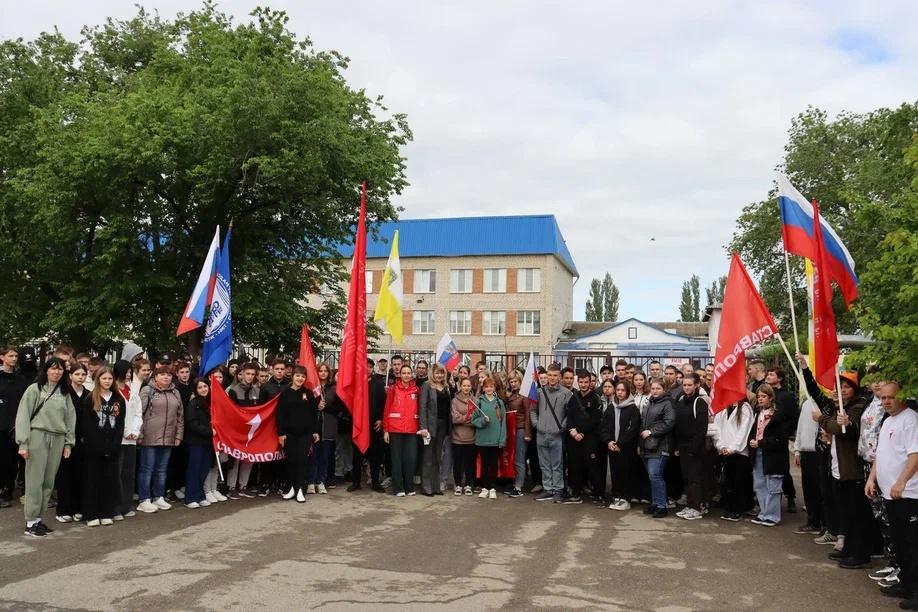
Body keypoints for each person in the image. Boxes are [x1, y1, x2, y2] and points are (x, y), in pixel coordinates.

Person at [796, 353, 876, 568]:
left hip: (853, 470)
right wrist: (805, 368)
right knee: (846, 513)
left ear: (855, 388)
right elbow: (816, 394)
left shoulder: (859, 406)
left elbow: (840, 429)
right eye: (839, 387)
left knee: (857, 514)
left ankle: (860, 554)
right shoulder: (836, 406)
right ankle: (848, 548)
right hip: (837, 468)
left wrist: (823, 421)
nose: (841, 391)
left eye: (847, 387)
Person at [866, 382, 918, 608]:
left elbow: (915, 455)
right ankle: (905, 584)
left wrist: (902, 481)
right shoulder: (888, 421)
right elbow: (881, 453)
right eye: (883, 398)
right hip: (890, 494)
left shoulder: (911, 419)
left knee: (912, 544)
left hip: (908, 495)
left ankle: (916, 592)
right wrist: (871, 478)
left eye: (891, 397)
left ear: (902, 397)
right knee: (899, 543)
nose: (886, 401)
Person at [16, 358, 76, 537]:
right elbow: (23, 416)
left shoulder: (64, 392)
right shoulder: (34, 389)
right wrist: (23, 443)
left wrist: (68, 443)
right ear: (46, 370)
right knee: (35, 480)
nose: (57, 372)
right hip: (38, 437)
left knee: (48, 481)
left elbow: (70, 419)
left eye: (60, 370)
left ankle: (38, 519)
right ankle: (30, 521)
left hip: (57, 438)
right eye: (53, 369)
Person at [80, 367, 126, 526]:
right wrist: (98, 445)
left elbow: (120, 425)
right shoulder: (90, 399)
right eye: (104, 378)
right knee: (93, 481)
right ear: (98, 379)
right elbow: (87, 426)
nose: (107, 381)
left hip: (112, 448)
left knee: (109, 481)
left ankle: (106, 512)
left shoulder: (118, 400)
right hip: (94, 449)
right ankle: (91, 514)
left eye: (109, 379)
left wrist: (114, 445)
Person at [136, 365, 184, 513]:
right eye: (162, 374)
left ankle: (159, 496)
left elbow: (180, 416)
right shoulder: (147, 391)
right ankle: (144, 499)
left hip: (168, 437)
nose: (166, 377)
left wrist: (178, 435)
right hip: (149, 437)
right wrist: (140, 433)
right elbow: (139, 413)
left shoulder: (176, 392)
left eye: (169, 375)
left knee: (162, 469)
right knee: (147, 469)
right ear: (155, 377)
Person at [275, 366, 319, 502]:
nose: (300, 379)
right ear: (293, 376)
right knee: (291, 461)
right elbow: (280, 415)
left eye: (303, 376)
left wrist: (315, 431)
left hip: (305, 434)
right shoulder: (285, 393)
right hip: (289, 434)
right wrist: (281, 433)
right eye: (298, 376)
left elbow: (313, 414)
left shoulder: (308, 393)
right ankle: (292, 488)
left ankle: (300, 489)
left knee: (302, 460)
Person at [748, 384, 789, 527]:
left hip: (773, 455)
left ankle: (772, 515)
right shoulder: (758, 413)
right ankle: (764, 512)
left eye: (763, 396)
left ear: (771, 398)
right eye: (758, 396)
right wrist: (753, 442)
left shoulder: (779, 414)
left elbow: (781, 438)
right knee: (759, 484)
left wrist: (761, 442)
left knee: (773, 485)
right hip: (758, 453)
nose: (760, 399)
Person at [531, 363, 572, 503]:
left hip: (557, 435)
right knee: (544, 464)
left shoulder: (566, 393)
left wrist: (562, 426)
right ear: (546, 376)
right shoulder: (539, 392)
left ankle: (558, 489)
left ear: (560, 376)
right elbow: (533, 410)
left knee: (557, 464)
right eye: (550, 375)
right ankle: (548, 489)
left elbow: (569, 414)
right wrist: (537, 424)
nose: (552, 378)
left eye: (555, 375)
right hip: (541, 434)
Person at [600, 380, 641, 511]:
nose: (620, 393)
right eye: (618, 390)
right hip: (612, 446)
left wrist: (620, 443)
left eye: (623, 390)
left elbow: (632, 429)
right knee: (615, 472)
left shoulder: (633, 408)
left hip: (626, 447)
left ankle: (626, 498)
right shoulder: (611, 407)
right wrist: (609, 441)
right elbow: (604, 426)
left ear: (628, 392)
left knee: (626, 472)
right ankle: (616, 496)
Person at [673, 373, 709, 521]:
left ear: (697, 385)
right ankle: (690, 504)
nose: (687, 387)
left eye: (690, 385)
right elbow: (678, 425)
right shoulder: (681, 401)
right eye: (685, 385)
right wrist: (677, 446)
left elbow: (702, 429)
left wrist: (693, 448)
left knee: (695, 478)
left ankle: (697, 507)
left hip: (695, 448)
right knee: (687, 477)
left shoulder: (700, 402)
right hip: (682, 447)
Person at [55, 363, 88, 523]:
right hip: (66, 440)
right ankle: (63, 509)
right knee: (65, 475)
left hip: (83, 441)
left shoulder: (89, 394)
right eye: (77, 374)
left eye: (83, 374)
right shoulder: (63, 393)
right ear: (70, 376)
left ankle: (78, 508)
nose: (80, 377)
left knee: (81, 475)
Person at [565, 369, 603, 505]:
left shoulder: (596, 398)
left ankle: (599, 494)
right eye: (581, 382)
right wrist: (572, 431)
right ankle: (575, 493)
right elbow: (569, 416)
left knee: (592, 466)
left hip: (590, 438)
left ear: (590, 382)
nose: (583, 384)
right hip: (574, 437)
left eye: (586, 382)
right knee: (575, 465)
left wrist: (580, 431)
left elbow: (595, 420)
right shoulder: (573, 397)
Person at [640, 378, 675, 518]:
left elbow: (669, 422)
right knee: (652, 476)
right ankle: (655, 503)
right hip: (647, 446)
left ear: (664, 389)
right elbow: (643, 422)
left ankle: (662, 506)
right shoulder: (649, 403)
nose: (654, 391)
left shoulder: (668, 403)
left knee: (655, 474)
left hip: (661, 446)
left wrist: (652, 432)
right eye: (653, 388)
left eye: (658, 388)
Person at [713, 400, 754, 521]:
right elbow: (717, 429)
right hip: (725, 451)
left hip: (739, 452)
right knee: (728, 481)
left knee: (739, 482)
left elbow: (743, 431)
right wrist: (721, 446)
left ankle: (738, 509)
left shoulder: (745, 408)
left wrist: (732, 448)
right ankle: (729, 507)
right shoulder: (723, 408)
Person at [383, 365, 420, 497]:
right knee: (396, 460)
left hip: (411, 430)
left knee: (410, 459)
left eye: (408, 373)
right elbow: (387, 409)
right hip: (395, 429)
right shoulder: (393, 389)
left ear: (411, 374)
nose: (406, 375)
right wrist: (386, 430)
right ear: (400, 375)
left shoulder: (416, 390)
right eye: (404, 373)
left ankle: (409, 487)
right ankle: (398, 488)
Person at [766, 367, 799, 514]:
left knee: (783, 469)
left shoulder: (786, 396)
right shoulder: (765, 393)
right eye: (767, 374)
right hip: (766, 437)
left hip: (780, 437)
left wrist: (785, 431)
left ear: (779, 378)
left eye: (771, 374)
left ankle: (790, 496)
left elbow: (793, 417)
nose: (768, 376)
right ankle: (770, 500)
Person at [350, 359, 385, 493]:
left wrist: (381, 420)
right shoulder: (356, 382)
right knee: (357, 455)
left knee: (375, 456)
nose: (368, 369)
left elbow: (383, 402)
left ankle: (375, 482)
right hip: (358, 425)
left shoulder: (378, 383)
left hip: (373, 425)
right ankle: (356, 482)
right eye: (365, 366)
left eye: (370, 367)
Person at [114, 360, 142, 519]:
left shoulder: (133, 391)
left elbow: (138, 413)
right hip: (118, 439)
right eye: (127, 372)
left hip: (132, 439)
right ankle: (115, 507)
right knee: (116, 474)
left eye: (130, 372)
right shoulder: (113, 391)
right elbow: (116, 416)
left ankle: (125, 506)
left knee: (128, 474)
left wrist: (135, 431)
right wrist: (125, 431)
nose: (129, 375)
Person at [0, 346, 27, 509]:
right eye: (10, 356)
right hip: (2, 425)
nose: (14, 359)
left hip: (17, 425)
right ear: (2, 357)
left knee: (16, 460)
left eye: (16, 356)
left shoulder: (20, 378)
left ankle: (12, 488)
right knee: (3, 460)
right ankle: (4, 491)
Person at [471, 376, 506, 500]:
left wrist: (502, 439)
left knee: (493, 465)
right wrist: (483, 421)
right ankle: (485, 488)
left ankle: (492, 488)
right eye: (487, 386)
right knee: (485, 465)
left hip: (495, 440)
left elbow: (503, 423)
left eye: (491, 386)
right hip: (482, 440)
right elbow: (473, 420)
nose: (489, 389)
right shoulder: (479, 402)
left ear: (494, 387)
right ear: (483, 388)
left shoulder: (499, 403)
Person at [793, 394, 823, 534]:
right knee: (808, 488)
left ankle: (820, 521)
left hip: (817, 452)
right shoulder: (806, 403)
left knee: (818, 489)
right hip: (805, 451)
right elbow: (800, 427)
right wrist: (797, 449)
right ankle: (812, 520)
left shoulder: (824, 404)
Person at [419, 363, 450, 496]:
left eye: (442, 373)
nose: (439, 375)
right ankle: (426, 487)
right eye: (437, 372)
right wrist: (424, 427)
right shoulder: (427, 385)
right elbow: (422, 407)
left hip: (443, 425)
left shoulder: (446, 387)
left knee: (438, 456)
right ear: (432, 373)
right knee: (428, 457)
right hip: (430, 426)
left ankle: (436, 486)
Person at [183, 378, 214, 509]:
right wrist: (209, 431)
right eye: (200, 387)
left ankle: (200, 495)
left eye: (205, 386)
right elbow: (192, 424)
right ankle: (190, 497)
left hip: (207, 442)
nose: (203, 389)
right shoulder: (193, 404)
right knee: (194, 470)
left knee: (204, 470)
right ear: (196, 390)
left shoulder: (211, 403)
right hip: (196, 442)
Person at [311, 363, 340, 494]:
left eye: (325, 371)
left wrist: (326, 407)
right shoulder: (311, 388)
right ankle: (311, 481)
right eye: (320, 371)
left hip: (329, 427)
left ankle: (321, 481)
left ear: (329, 373)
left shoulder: (334, 389)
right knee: (313, 456)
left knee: (325, 457)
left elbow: (340, 409)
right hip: (314, 428)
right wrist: (316, 406)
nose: (323, 373)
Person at [505, 371, 530, 498]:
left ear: (520, 381)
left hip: (520, 429)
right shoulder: (511, 395)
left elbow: (528, 415)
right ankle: (515, 483)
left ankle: (519, 486)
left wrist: (527, 433)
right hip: (512, 429)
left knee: (520, 459)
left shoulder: (524, 396)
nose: (513, 384)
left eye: (515, 381)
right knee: (513, 458)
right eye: (511, 382)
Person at [450, 377, 476, 496]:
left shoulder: (475, 400)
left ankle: (468, 485)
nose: (466, 388)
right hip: (457, 438)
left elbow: (475, 418)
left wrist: (463, 419)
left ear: (471, 387)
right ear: (460, 386)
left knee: (469, 464)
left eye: (468, 386)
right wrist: (466, 418)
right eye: (464, 386)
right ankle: (458, 485)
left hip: (471, 438)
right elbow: (454, 418)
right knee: (457, 463)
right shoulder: (454, 401)